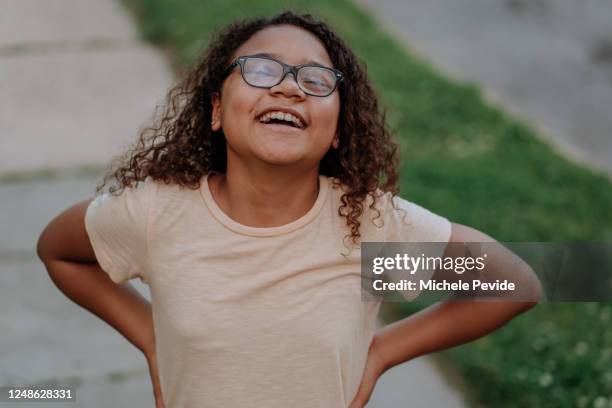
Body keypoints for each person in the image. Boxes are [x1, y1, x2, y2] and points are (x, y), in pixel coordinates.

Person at [37, 10, 541, 408]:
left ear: (339, 128)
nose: (289, 86)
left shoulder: (366, 226)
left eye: (317, 80)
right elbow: (60, 253)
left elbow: (515, 283)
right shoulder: (157, 215)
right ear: (215, 109)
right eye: (260, 70)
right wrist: (150, 338)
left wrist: (384, 351)